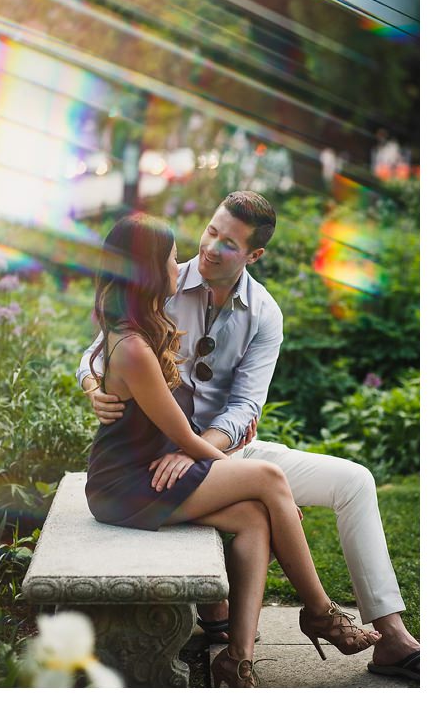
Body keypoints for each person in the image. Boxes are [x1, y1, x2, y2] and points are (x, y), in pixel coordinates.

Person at [79, 192, 420, 682]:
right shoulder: (161, 279)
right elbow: (98, 353)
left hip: (219, 449)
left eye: (230, 243)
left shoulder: (265, 313)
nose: (212, 248)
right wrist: (95, 388)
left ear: (255, 255)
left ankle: (391, 637)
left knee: (356, 480)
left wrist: (209, 451)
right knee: (264, 493)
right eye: (211, 232)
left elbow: (245, 407)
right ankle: (308, 616)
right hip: (161, 454)